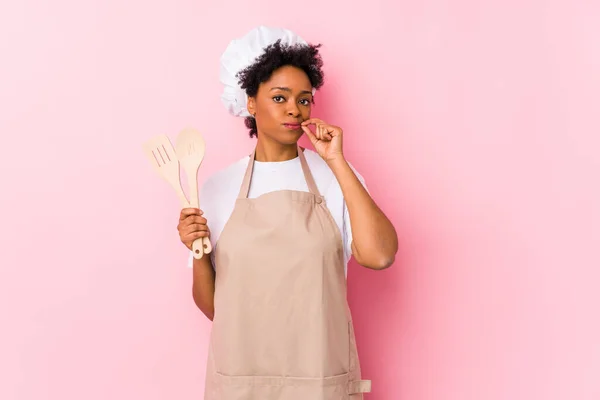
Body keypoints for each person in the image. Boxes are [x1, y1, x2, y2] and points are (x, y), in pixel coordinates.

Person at [176, 26, 398, 400]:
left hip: (319, 380)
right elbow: (216, 309)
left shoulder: (336, 178)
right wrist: (197, 250)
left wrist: (337, 162)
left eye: (305, 99)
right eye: (279, 97)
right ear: (250, 103)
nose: (295, 109)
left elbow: (380, 255)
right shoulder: (216, 189)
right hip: (242, 384)